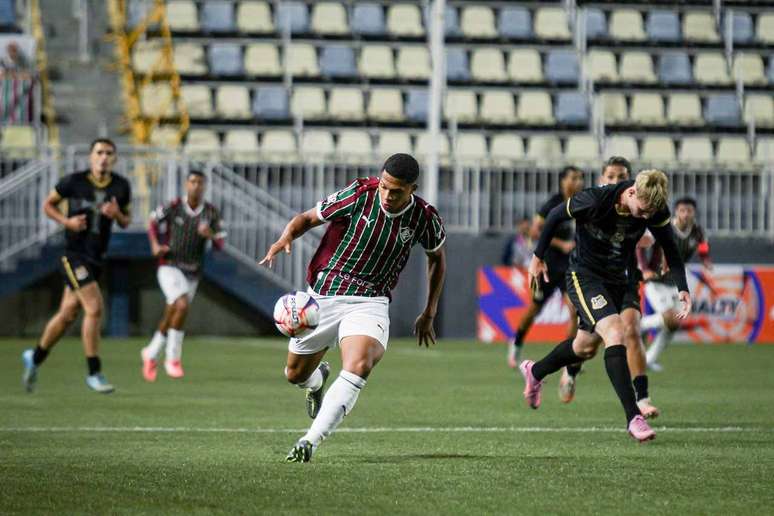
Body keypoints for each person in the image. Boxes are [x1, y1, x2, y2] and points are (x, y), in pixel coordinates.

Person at [259, 153, 446, 463]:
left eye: (396, 190)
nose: (387, 195)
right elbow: (307, 218)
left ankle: (310, 440)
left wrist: (430, 311)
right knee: (294, 374)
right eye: (384, 186)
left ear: (412, 189)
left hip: (369, 301)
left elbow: (437, 259)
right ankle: (316, 380)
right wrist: (285, 237)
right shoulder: (359, 193)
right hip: (324, 296)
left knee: (359, 364)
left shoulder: (425, 218)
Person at [520, 169, 691, 442]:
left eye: (649, 215)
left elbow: (670, 247)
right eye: (642, 211)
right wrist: (537, 257)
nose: (644, 218)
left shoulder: (653, 208)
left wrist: (683, 287)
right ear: (632, 192)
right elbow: (554, 215)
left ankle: (535, 371)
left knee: (584, 347)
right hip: (584, 275)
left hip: (617, 279)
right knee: (615, 331)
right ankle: (633, 416)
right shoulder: (595, 200)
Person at [21, 139, 132, 393]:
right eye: (99, 153)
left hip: (97, 257)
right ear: (91, 157)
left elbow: (126, 221)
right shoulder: (73, 181)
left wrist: (117, 215)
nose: (103, 157)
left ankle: (35, 358)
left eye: (108, 153)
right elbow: (48, 205)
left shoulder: (121, 186)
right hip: (74, 255)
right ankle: (94, 372)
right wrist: (66, 222)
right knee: (94, 307)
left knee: (68, 314)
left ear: (114, 158)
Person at [557, 157, 661, 418]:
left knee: (631, 330)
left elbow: (652, 237)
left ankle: (642, 397)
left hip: (625, 278)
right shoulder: (596, 204)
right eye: (611, 176)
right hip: (592, 277)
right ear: (602, 179)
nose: (616, 181)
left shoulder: (638, 205)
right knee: (589, 345)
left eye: (622, 176)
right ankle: (570, 369)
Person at [141, 170, 225, 381]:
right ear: (186, 185)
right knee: (181, 305)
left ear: (204, 186)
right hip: (169, 264)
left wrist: (211, 235)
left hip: (192, 271)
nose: (196, 186)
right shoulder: (174, 206)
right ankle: (172, 358)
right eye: (192, 182)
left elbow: (220, 244)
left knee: (172, 312)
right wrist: (155, 245)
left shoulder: (211, 213)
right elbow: (152, 221)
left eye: (200, 183)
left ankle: (151, 353)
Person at [507, 166, 584, 368]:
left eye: (580, 178)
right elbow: (534, 233)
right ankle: (515, 346)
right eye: (574, 178)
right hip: (548, 267)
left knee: (575, 311)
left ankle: (570, 360)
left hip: (570, 267)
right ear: (563, 181)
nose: (578, 182)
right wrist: (562, 244)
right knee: (533, 310)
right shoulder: (552, 204)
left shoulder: (582, 204)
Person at [638, 197, 713, 372]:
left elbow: (702, 248)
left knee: (675, 323)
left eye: (689, 211)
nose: (686, 214)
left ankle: (648, 359)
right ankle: (635, 326)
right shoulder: (665, 228)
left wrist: (706, 260)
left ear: (694, 213)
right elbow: (640, 246)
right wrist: (643, 268)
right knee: (670, 318)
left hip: (676, 281)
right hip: (656, 281)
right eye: (682, 210)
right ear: (676, 212)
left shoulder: (698, 231)